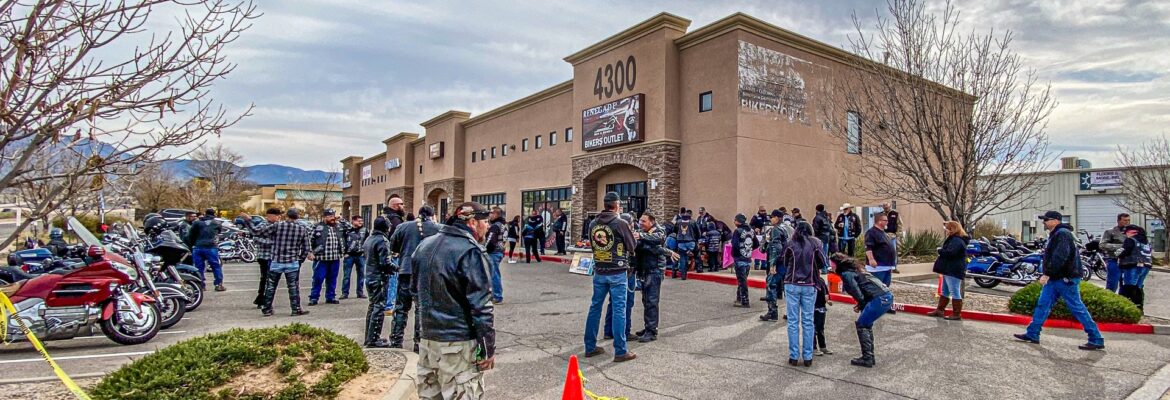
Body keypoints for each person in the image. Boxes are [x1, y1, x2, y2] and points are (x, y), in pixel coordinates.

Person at [414, 202, 496, 399]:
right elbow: (482, 305)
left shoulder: (424, 245)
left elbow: (414, 293)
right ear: (473, 222)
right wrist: (486, 349)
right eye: (485, 221)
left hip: (428, 341)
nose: (488, 226)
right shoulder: (470, 251)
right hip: (458, 342)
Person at [1013, 211, 1105, 351]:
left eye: (1046, 220)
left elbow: (1060, 257)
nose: (1044, 222)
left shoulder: (1062, 234)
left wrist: (1047, 274)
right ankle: (1032, 333)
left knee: (1077, 308)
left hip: (1065, 279)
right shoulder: (1056, 234)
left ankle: (1096, 338)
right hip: (1056, 278)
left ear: (1055, 221)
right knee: (1043, 305)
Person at [582, 192, 638, 363]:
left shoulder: (593, 223)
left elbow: (592, 244)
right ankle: (620, 350)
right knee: (619, 309)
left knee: (595, 307)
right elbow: (632, 246)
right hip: (617, 271)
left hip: (600, 270)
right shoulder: (620, 223)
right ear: (617, 206)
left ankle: (590, 346)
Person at [387, 205, 442, 351]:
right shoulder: (439, 229)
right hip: (427, 272)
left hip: (406, 269)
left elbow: (393, 246)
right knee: (421, 308)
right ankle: (419, 342)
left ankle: (396, 339)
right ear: (433, 215)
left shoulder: (403, 227)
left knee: (401, 308)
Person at [244, 208, 312, 317]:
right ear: (297, 217)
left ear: (286, 216)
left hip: (276, 260)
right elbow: (306, 248)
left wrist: (248, 221)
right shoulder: (302, 229)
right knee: (293, 287)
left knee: (270, 286)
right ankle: (296, 309)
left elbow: (257, 232)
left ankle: (266, 308)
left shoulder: (278, 226)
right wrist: (300, 260)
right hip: (292, 261)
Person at [832, 252, 894, 367]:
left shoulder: (846, 274)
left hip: (878, 298)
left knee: (862, 324)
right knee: (866, 324)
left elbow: (857, 292)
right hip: (885, 296)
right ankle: (869, 356)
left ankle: (867, 358)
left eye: (832, 264)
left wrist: (861, 303)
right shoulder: (857, 270)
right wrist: (862, 304)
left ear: (837, 264)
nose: (831, 267)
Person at [782, 222, 826, 367]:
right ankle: (808, 356)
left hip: (792, 283)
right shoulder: (816, 243)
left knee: (793, 322)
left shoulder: (790, 243)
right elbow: (822, 262)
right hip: (809, 283)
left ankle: (793, 356)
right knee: (808, 321)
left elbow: (785, 261)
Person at [633, 213, 673, 343]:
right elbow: (640, 246)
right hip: (644, 270)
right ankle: (648, 327)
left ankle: (651, 331)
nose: (641, 223)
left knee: (651, 302)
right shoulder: (642, 231)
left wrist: (642, 237)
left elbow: (657, 242)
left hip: (654, 271)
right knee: (646, 301)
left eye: (644, 221)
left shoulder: (658, 231)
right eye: (640, 221)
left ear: (652, 222)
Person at [362, 216, 396, 347]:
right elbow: (385, 262)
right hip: (379, 278)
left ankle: (369, 337)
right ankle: (373, 339)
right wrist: (396, 268)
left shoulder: (369, 239)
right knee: (378, 307)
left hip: (369, 276)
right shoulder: (382, 240)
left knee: (372, 306)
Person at [239, 209, 280, 308]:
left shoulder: (276, 225)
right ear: (270, 216)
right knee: (265, 278)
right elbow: (256, 237)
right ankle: (262, 299)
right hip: (264, 256)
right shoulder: (263, 225)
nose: (279, 218)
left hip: (272, 256)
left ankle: (264, 298)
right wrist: (272, 243)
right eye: (277, 216)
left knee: (269, 279)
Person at [929, 221, 970, 320]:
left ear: (952, 229)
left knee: (954, 291)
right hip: (949, 269)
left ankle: (956, 313)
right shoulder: (957, 240)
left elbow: (950, 253)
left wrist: (940, 251)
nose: (946, 230)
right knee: (945, 290)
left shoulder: (956, 241)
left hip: (953, 269)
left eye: (947, 228)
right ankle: (940, 310)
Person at [308, 209, 345, 306]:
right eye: (329, 216)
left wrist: (341, 220)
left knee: (332, 279)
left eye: (333, 216)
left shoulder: (338, 226)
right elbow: (309, 240)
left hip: (335, 258)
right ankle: (314, 297)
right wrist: (310, 252)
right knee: (318, 278)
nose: (332, 218)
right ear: (324, 217)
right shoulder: (317, 227)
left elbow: (349, 228)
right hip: (321, 258)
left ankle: (330, 297)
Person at [186, 208, 225, 291]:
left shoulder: (197, 223)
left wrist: (192, 245)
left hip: (198, 247)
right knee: (216, 266)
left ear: (205, 213)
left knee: (198, 267)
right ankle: (218, 284)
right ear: (214, 214)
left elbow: (191, 235)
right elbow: (218, 232)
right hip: (211, 247)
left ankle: (201, 285)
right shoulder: (217, 223)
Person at [761, 209, 789, 321]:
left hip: (779, 262)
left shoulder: (776, 229)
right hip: (789, 262)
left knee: (771, 284)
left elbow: (775, 247)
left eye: (772, 217)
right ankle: (791, 312)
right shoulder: (789, 228)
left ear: (777, 218)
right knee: (788, 288)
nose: (770, 219)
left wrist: (772, 264)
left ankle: (772, 311)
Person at [1118, 224, 1152, 310]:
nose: (1125, 235)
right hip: (1146, 265)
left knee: (1129, 287)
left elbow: (1124, 252)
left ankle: (1128, 308)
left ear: (1132, 232)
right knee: (1138, 287)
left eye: (1126, 233)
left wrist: (1117, 254)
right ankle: (1139, 307)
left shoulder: (1131, 240)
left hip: (1132, 265)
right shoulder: (1146, 242)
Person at [383, 198, 407, 313]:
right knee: (393, 279)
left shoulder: (385, 217)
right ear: (395, 205)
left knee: (387, 279)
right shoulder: (395, 220)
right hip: (394, 254)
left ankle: (385, 303)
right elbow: (396, 238)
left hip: (385, 253)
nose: (403, 206)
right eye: (401, 204)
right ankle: (389, 305)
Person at [864, 213, 897, 289]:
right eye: (885, 220)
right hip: (878, 267)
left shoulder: (884, 233)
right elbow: (868, 247)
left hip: (886, 266)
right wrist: (871, 259)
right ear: (879, 221)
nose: (887, 222)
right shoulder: (871, 233)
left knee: (885, 288)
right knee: (876, 287)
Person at [730, 214, 757, 308]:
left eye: (735, 220)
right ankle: (739, 297)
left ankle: (745, 300)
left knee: (742, 281)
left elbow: (735, 245)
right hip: (747, 257)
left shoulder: (737, 231)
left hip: (740, 258)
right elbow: (756, 243)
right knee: (742, 279)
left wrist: (735, 255)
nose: (734, 222)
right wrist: (748, 250)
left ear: (738, 221)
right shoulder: (751, 230)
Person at [1100, 213, 1130, 293]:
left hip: (1128, 261)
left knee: (1127, 285)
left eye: (1128, 220)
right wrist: (1121, 246)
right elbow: (1102, 245)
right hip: (1114, 260)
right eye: (1124, 220)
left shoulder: (1131, 233)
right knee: (1112, 284)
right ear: (1118, 221)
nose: (1127, 222)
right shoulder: (1110, 232)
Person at [340, 215, 368, 300]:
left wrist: (365, 253)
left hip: (360, 255)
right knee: (346, 275)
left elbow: (367, 242)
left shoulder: (364, 230)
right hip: (349, 256)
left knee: (361, 275)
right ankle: (345, 293)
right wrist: (344, 252)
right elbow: (343, 241)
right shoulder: (347, 230)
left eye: (361, 221)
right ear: (353, 221)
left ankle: (360, 292)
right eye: (359, 221)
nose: (361, 223)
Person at [485, 208, 507, 303]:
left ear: (496, 214)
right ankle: (494, 294)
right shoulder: (503, 225)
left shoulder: (494, 226)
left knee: (494, 275)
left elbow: (490, 241)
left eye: (491, 213)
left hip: (493, 252)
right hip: (500, 251)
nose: (490, 215)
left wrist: (485, 249)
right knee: (494, 274)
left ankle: (497, 296)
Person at [812, 273, 833, 356]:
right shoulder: (810, 281)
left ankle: (822, 346)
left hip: (821, 307)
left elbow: (826, 292)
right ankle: (813, 347)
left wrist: (828, 301)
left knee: (820, 327)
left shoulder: (821, 280)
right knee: (812, 328)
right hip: (812, 308)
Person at [673, 211, 697, 280]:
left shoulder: (678, 222)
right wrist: (696, 239)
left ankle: (683, 275)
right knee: (695, 254)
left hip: (681, 243)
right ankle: (699, 268)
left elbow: (674, 230)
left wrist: (679, 234)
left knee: (682, 258)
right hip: (691, 242)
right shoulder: (693, 222)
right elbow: (698, 232)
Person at [881, 203, 901, 274]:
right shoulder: (880, 214)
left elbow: (899, 224)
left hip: (892, 235)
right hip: (883, 235)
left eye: (887, 206)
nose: (885, 207)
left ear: (890, 206)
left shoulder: (895, 214)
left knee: (893, 252)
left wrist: (898, 235)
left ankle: (894, 267)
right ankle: (884, 267)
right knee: (883, 252)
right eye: (884, 206)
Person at [750, 206, 769, 271]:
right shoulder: (755, 217)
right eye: (762, 211)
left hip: (766, 235)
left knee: (764, 249)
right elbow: (750, 225)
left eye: (764, 211)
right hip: (758, 235)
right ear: (759, 210)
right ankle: (757, 264)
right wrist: (755, 228)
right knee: (758, 249)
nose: (763, 212)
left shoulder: (768, 217)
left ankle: (764, 264)